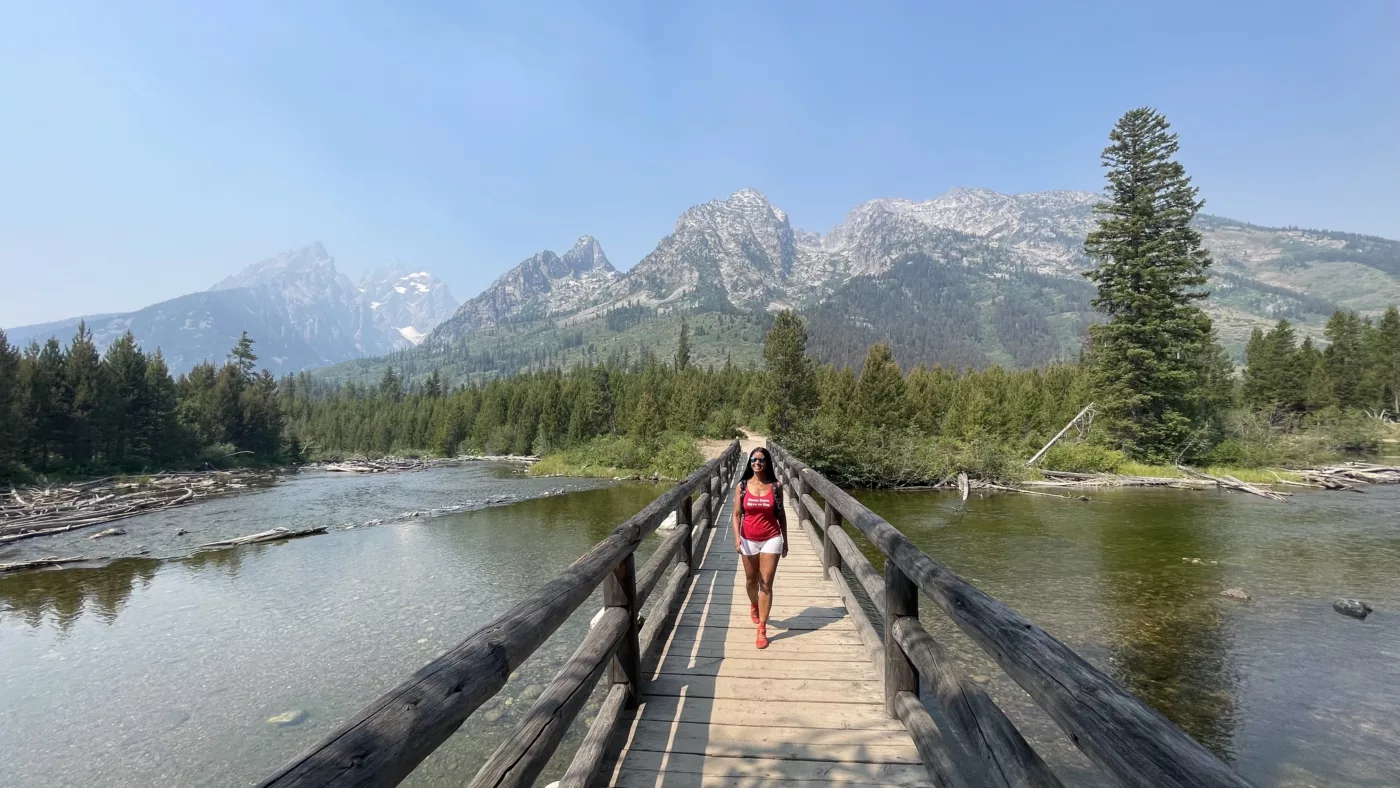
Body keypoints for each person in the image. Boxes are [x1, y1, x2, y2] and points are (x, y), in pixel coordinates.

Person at [732, 447, 788, 649]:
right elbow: (737, 514)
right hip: (748, 539)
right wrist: (737, 537)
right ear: (750, 463)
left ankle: (762, 628)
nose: (757, 463)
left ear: (767, 462)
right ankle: (753, 604)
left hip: (771, 538)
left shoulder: (775, 486)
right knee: (751, 580)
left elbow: (781, 515)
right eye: (754, 460)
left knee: (766, 582)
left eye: (761, 460)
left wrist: (785, 540)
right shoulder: (742, 486)